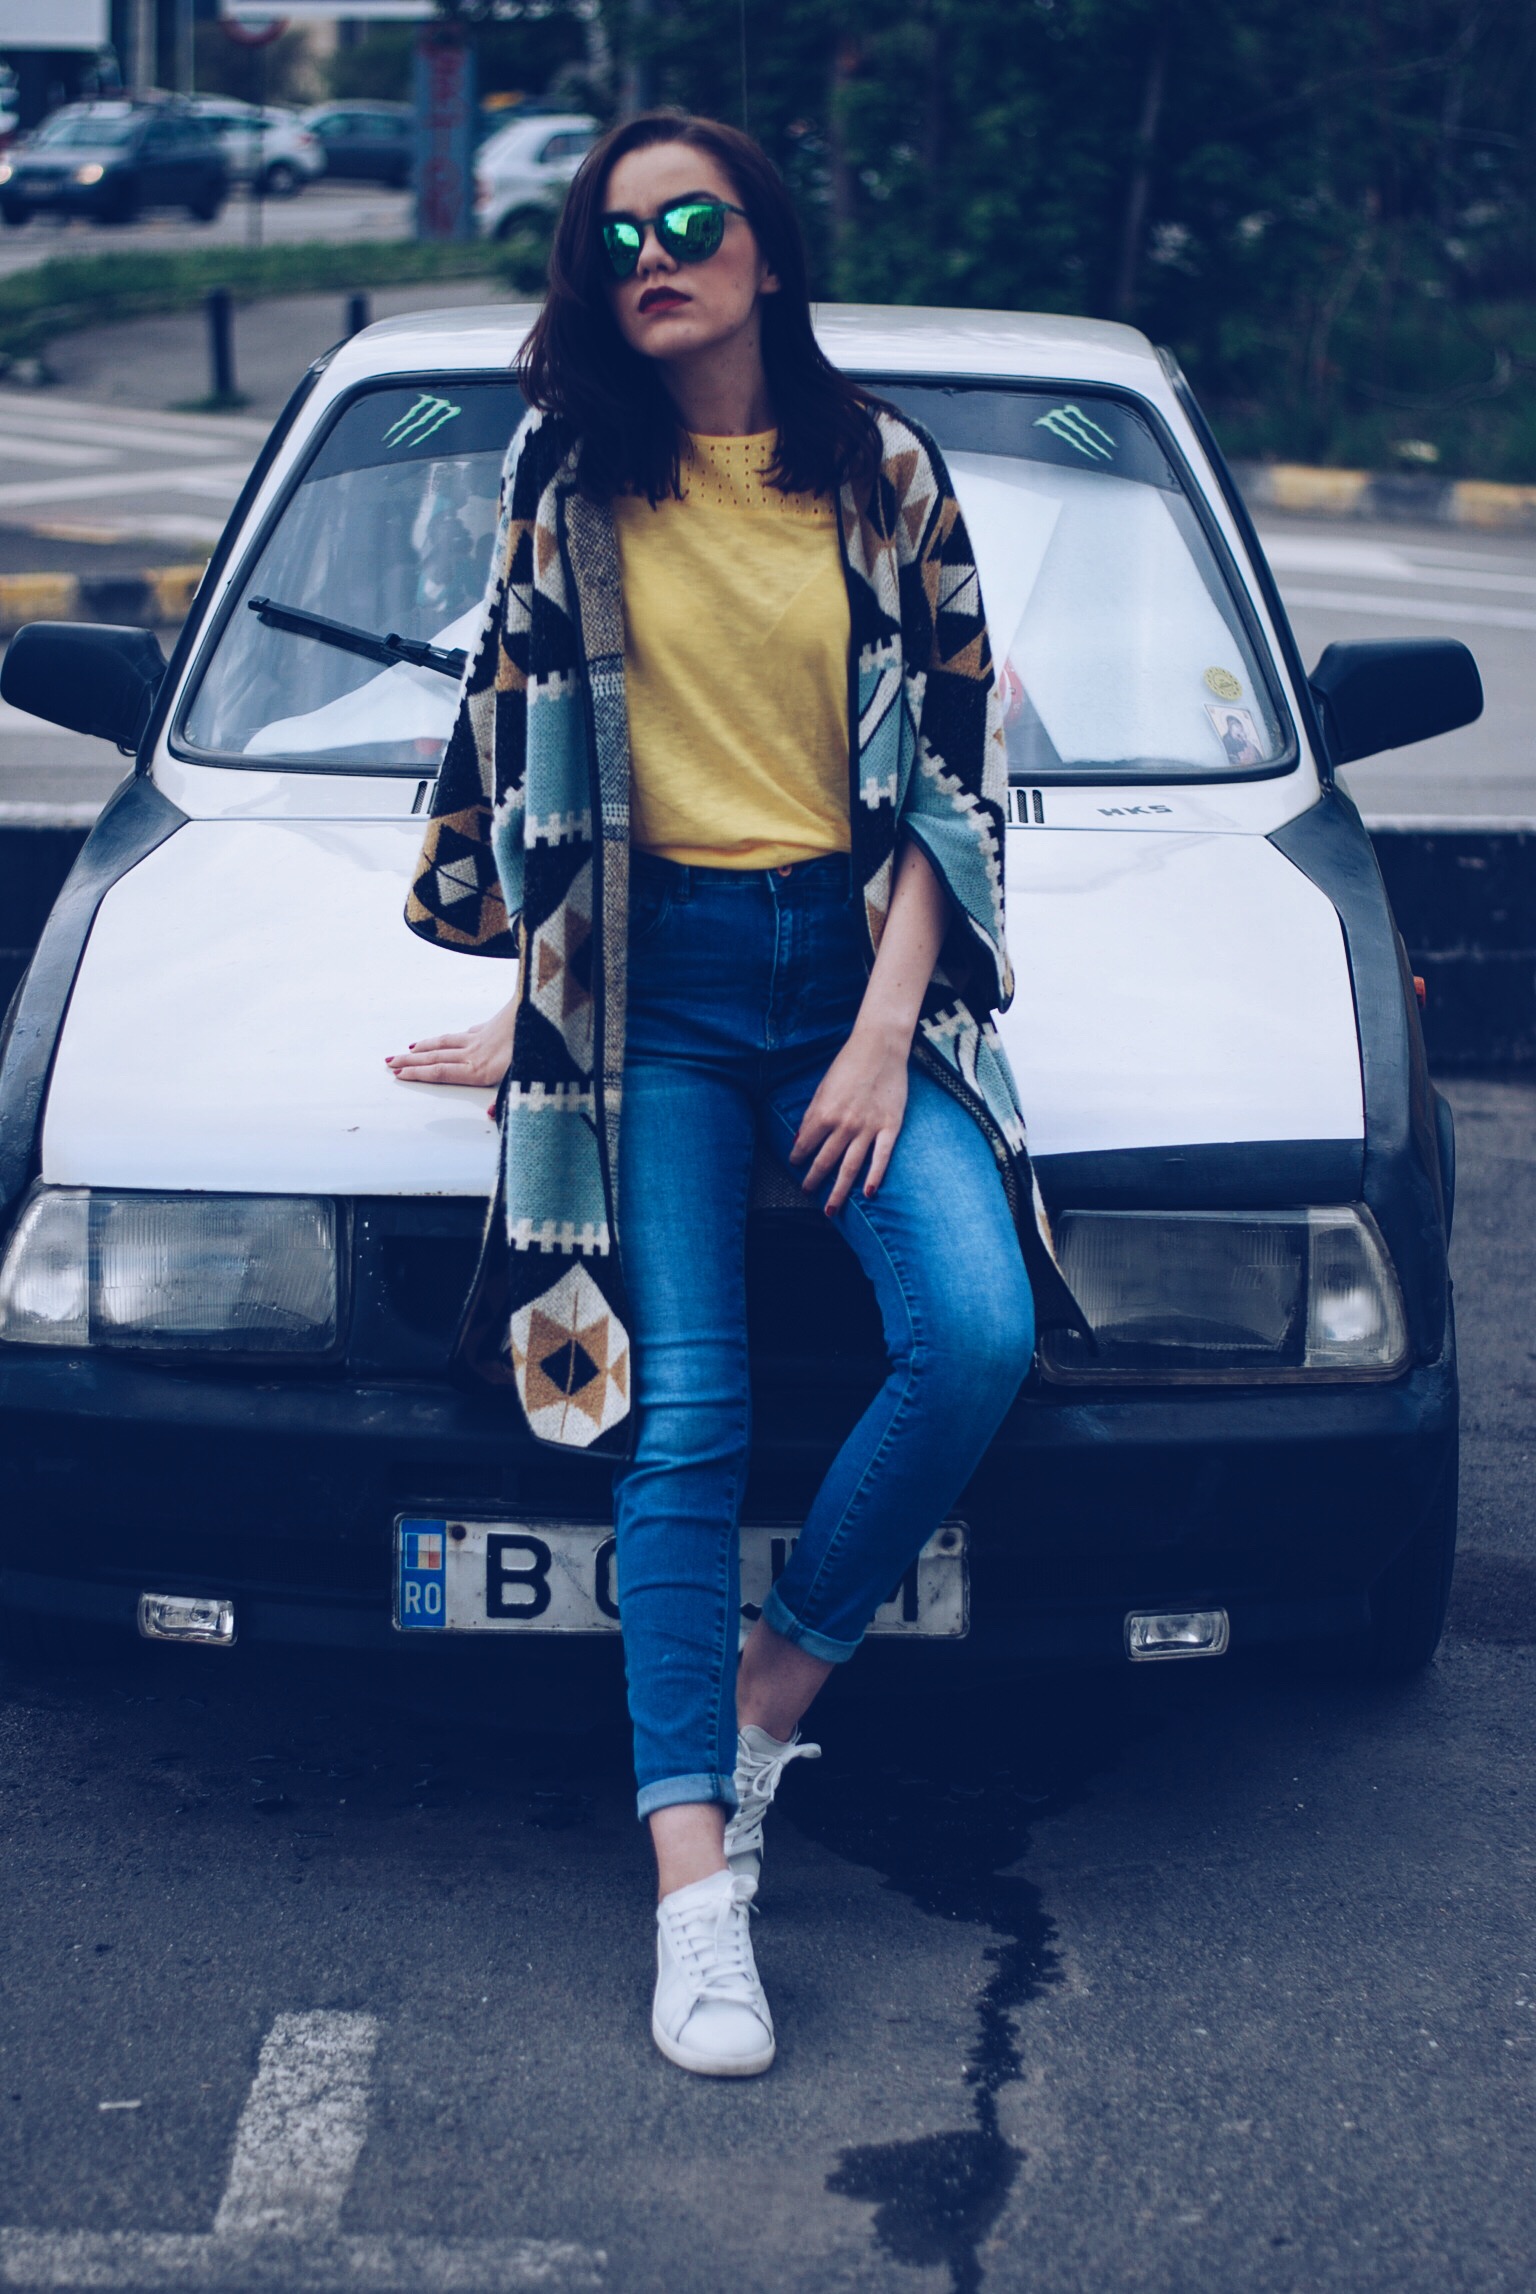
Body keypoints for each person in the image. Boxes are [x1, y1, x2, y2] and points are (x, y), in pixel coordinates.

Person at [390, 110, 1079, 2079]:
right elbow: (513, 738)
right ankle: (699, 1894)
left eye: (693, 224)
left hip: (853, 975)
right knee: (679, 1419)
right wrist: (538, 1014)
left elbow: (956, 762)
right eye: (618, 239)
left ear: (769, 252)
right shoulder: (571, 481)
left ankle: (774, 1695)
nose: (655, 258)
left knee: (973, 1330)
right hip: (657, 997)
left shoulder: (883, 476)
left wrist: (882, 1031)